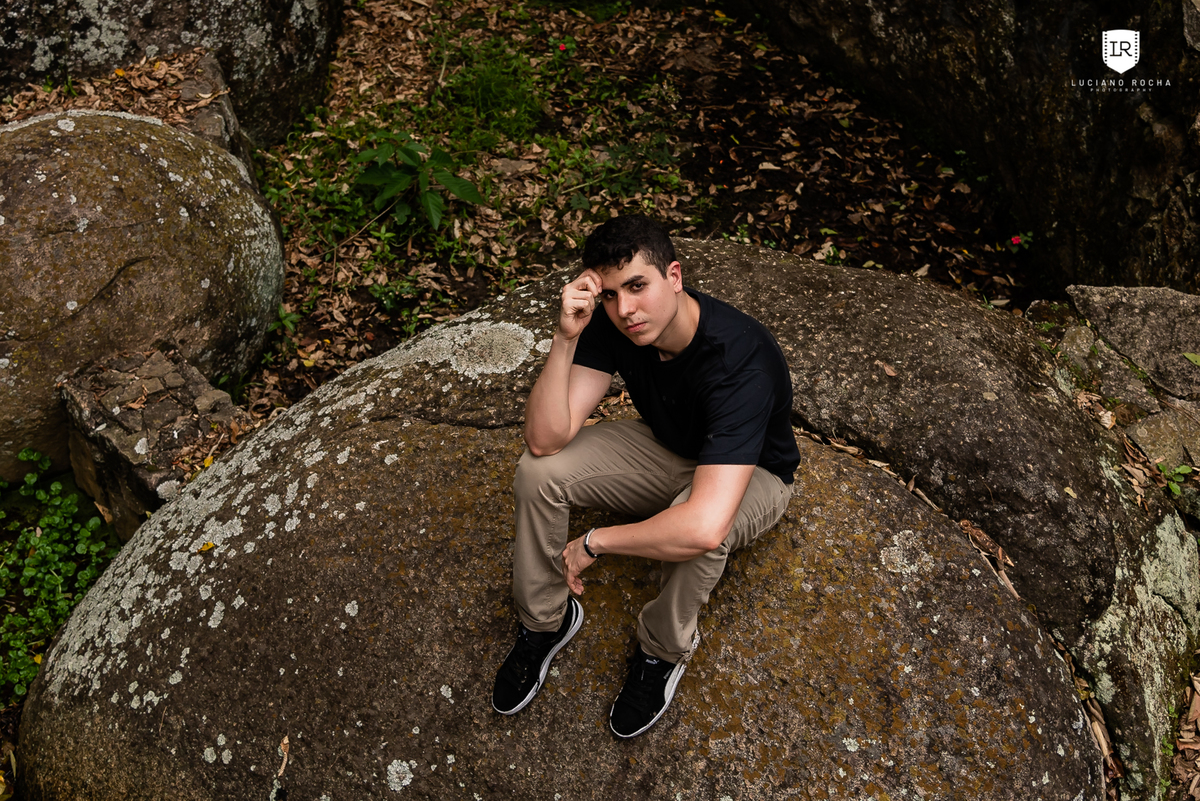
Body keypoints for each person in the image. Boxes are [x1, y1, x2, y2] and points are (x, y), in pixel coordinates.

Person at [491, 214, 800, 738]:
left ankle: (660, 651)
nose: (625, 310)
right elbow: (545, 439)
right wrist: (565, 337)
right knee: (539, 470)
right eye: (610, 295)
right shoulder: (614, 324)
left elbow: (702, 525)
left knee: (702, 538)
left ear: (674, 277)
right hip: (668, 447)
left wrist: (595, 541)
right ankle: (544, 622)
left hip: (755, 473)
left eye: (638, 287)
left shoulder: (739, 360)